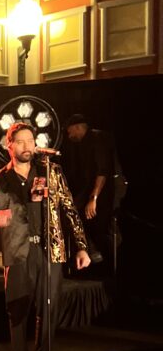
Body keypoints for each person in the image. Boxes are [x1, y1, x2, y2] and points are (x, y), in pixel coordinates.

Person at [0, 122, 90, 351]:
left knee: (49, 307)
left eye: (31, 140)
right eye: (21, 141)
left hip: (49, 249)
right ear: (9, 146)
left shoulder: (50, 171)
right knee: (18, 309)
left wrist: (82, 246)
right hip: (19, 250)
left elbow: (69, 208)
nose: (27, 146)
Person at [61, 114, 116, 266]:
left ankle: (105, 261)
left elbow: (102, 171)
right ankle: (92, 254)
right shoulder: (83, 144)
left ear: (78, 127)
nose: (69, 136)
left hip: (102, 193)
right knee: (73, 215)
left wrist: (94, 198)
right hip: (89, 191)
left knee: (99, 227)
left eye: (70, 132)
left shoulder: (97, 139)